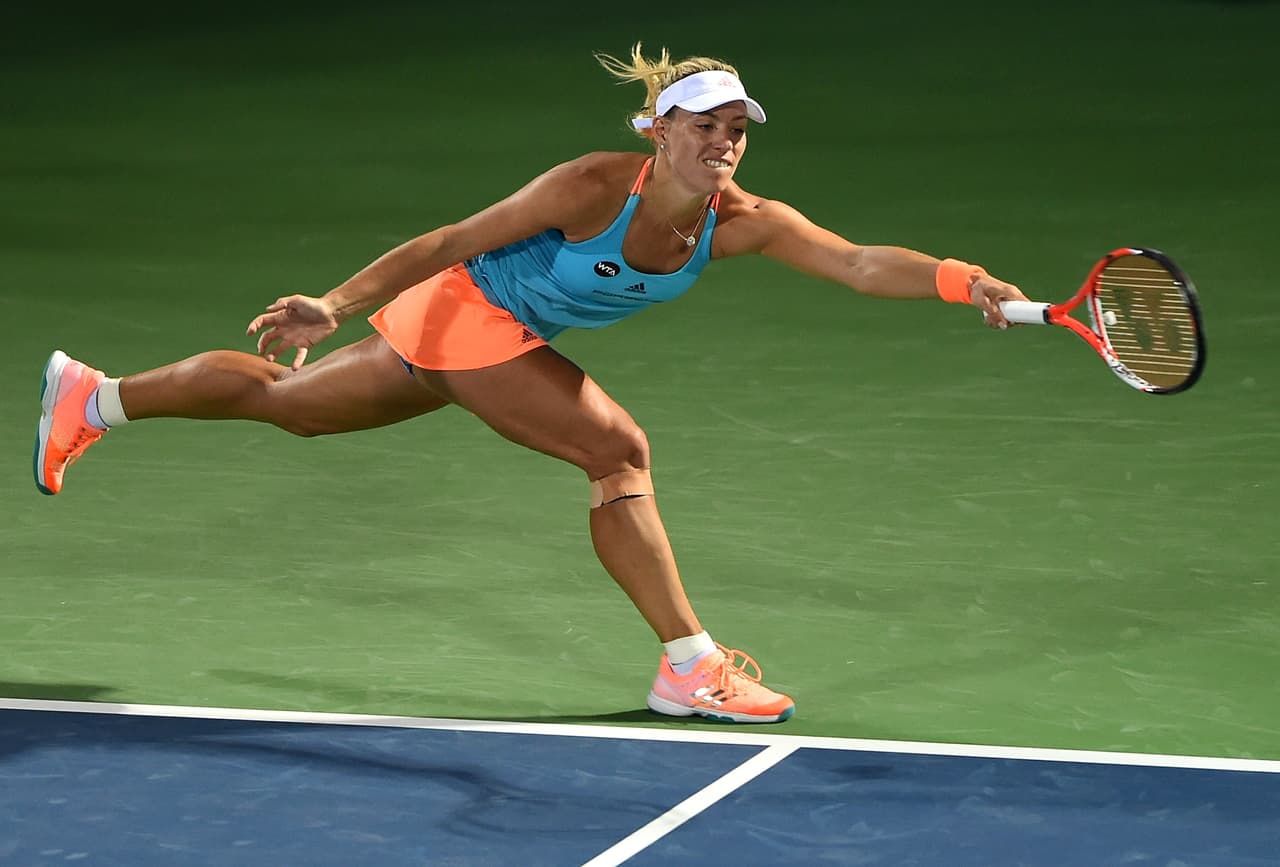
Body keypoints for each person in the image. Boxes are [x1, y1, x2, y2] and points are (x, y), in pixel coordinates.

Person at [33, 43, 1028, 724]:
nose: (723, 144)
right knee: (615, 451)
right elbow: (450, 241)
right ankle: (689, 668)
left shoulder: (744, 219)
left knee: (291, 409)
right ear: (659, 131)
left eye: (737, 129)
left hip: (474, 332)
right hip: (464, 314)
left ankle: (95, 397)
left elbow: (856, 262)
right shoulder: (591, 186)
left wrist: (964, 281)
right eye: (704, 127)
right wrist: (334, 304)